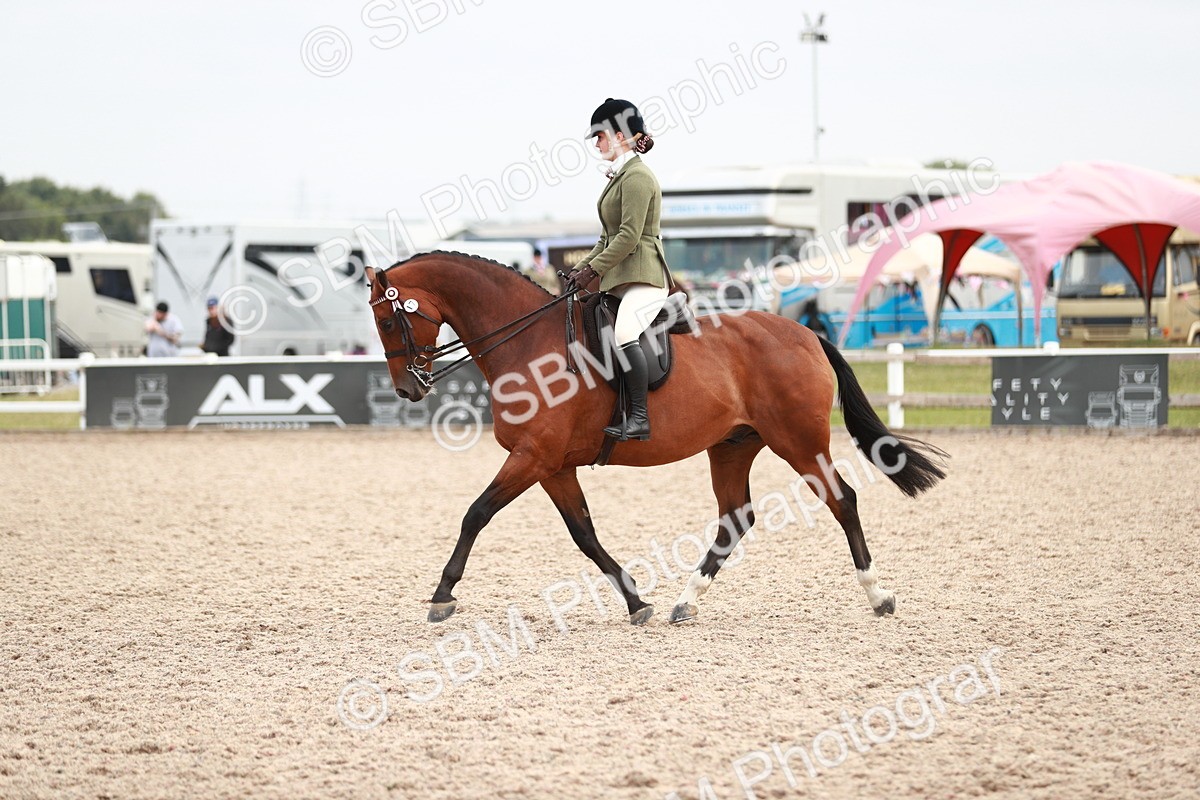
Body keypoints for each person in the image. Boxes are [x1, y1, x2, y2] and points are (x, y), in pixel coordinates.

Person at [565, 98, 670, 442]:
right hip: (620, 279)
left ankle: (639, 417)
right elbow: (605, 238)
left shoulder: (637, 177)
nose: (597, 144)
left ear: (620, 136)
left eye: (600, 136)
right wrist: (579, 271)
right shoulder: (619, 176)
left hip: (644, 279)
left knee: (624, 333)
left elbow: (628, 237)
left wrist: (593, 270)